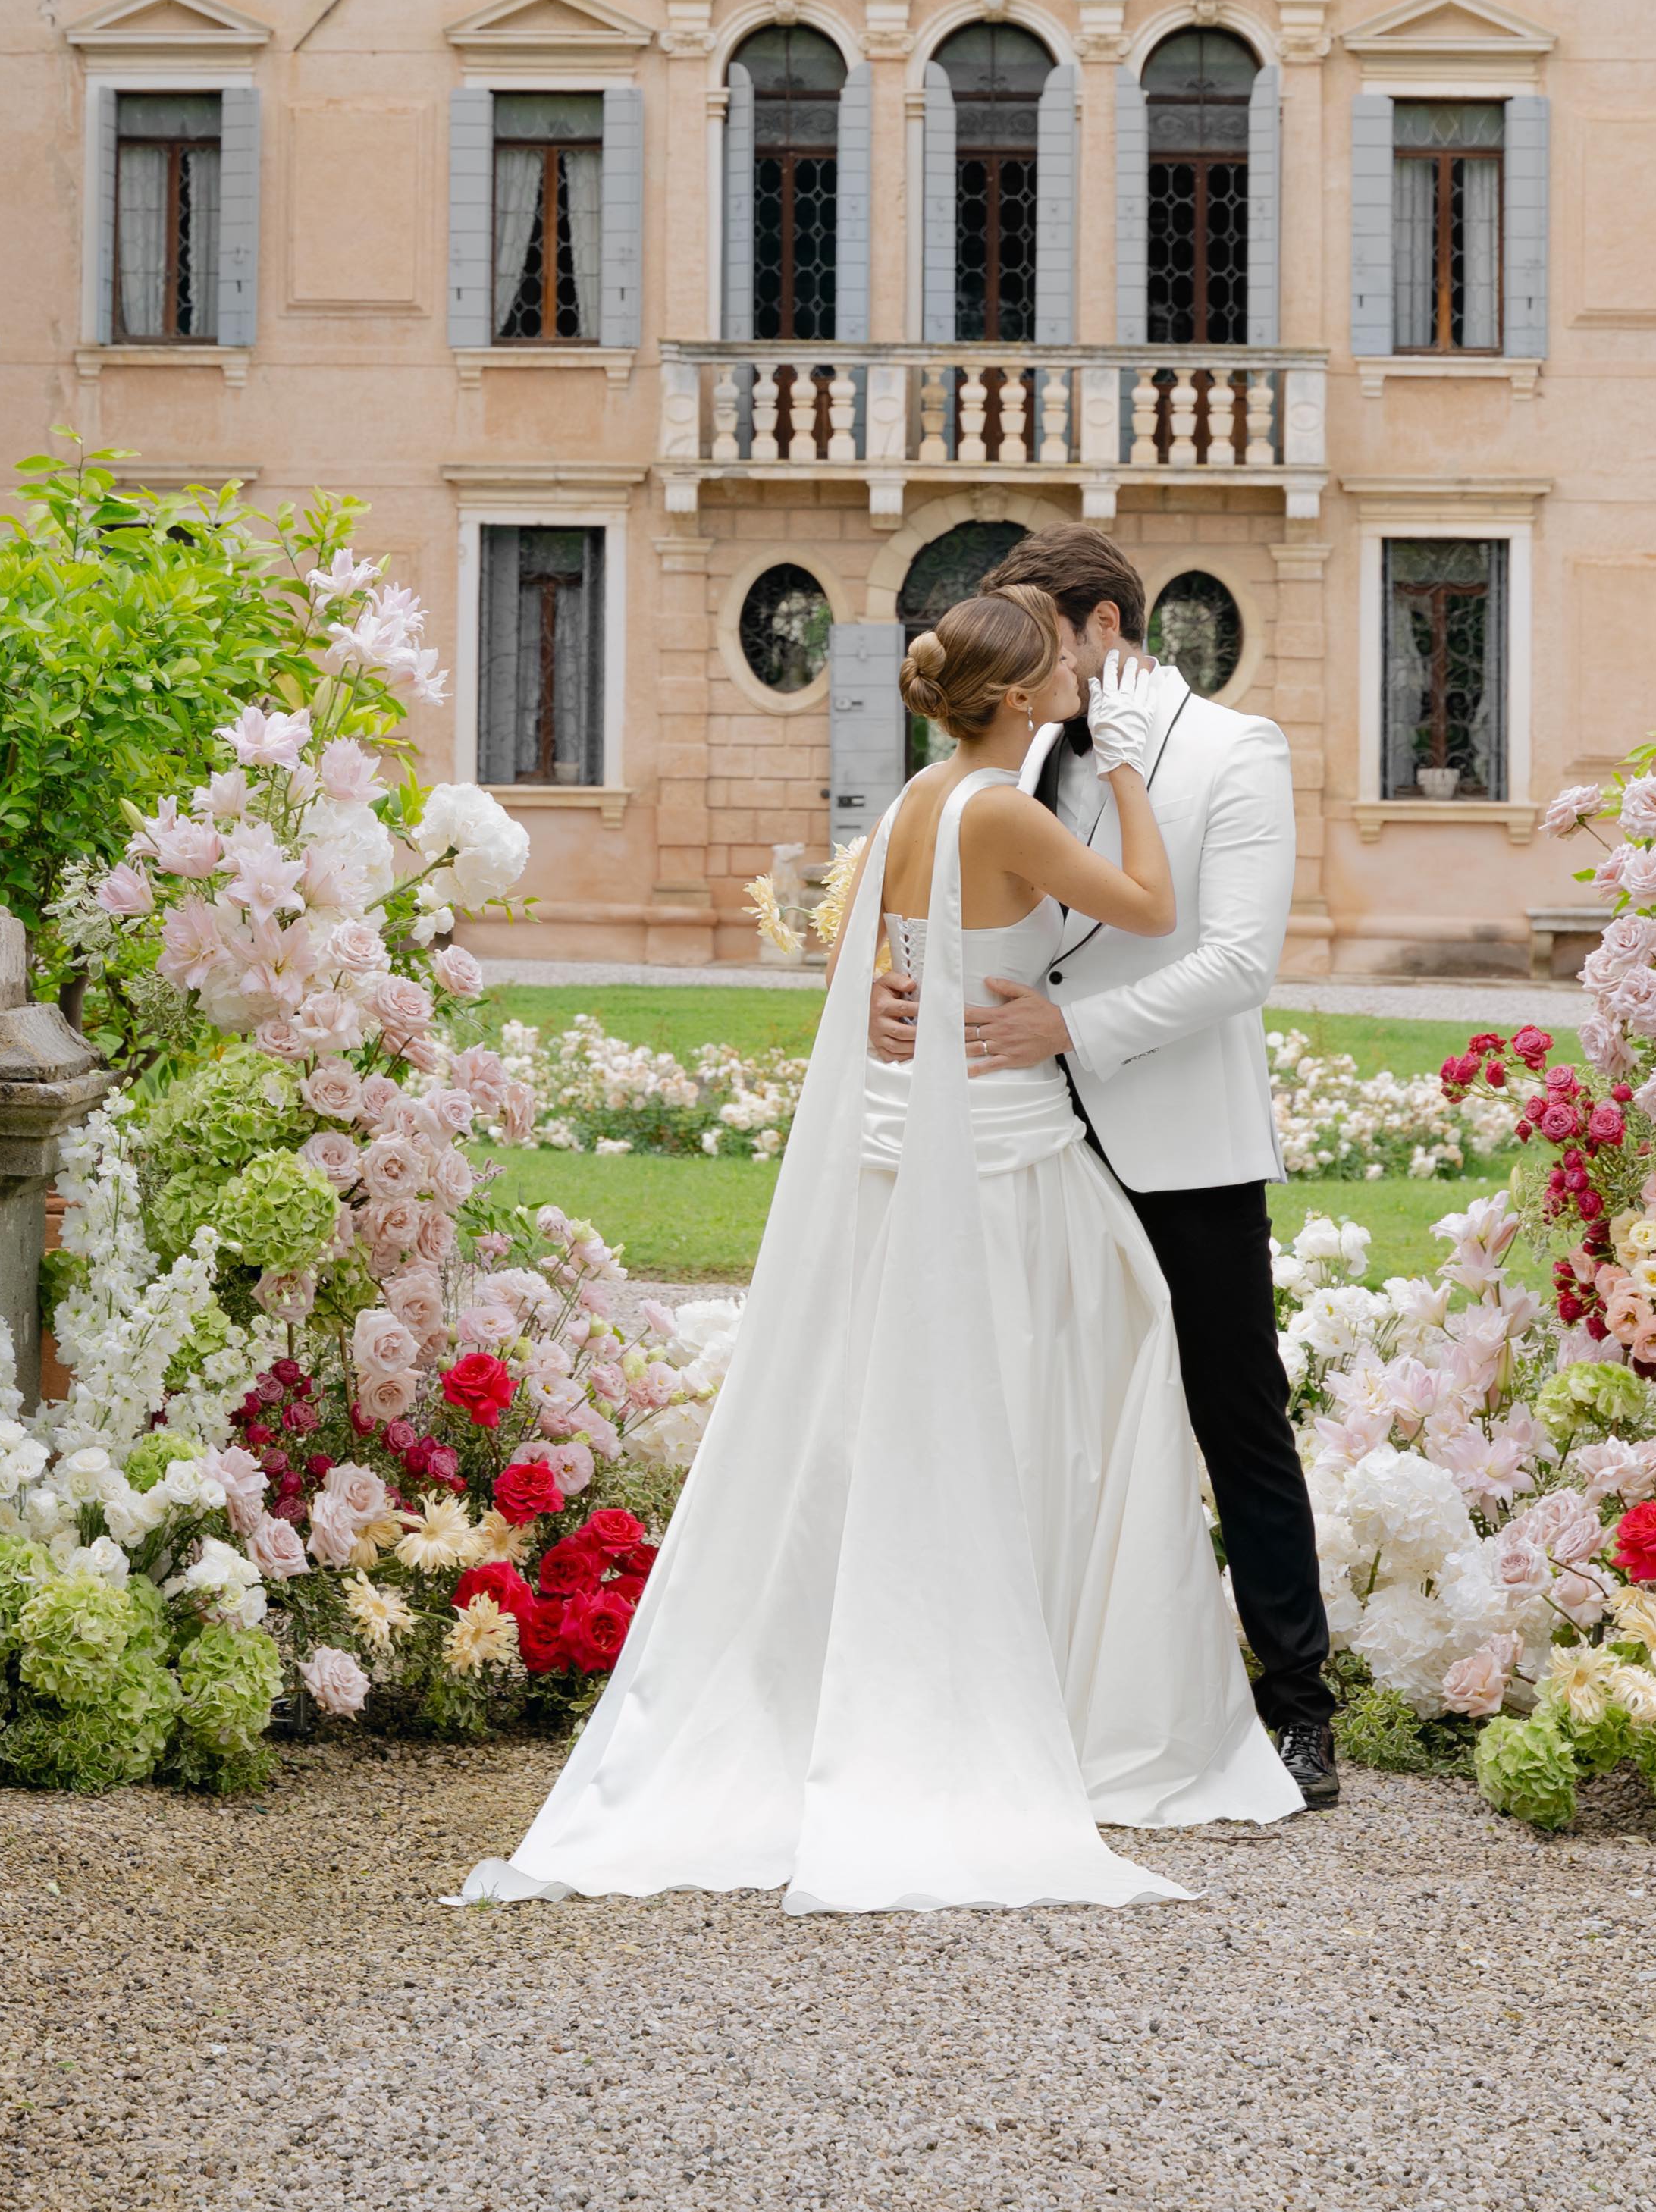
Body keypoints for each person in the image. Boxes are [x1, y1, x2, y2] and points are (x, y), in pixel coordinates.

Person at [457, 583, 1297, 1915]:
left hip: (922, 1123)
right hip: (1000, 1137)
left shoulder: (916, 796)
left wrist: (895, 994)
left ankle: (985, 1652)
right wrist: (1132, 774)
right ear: (1015, 697)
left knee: (953, 1386)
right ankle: (1029, 1675)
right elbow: (1149, 905)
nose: (1081, 680)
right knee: (1053, 1382)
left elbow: (860, 951)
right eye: (1058, 667)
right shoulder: (1002, 806)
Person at [873, 523, 1338, 1806]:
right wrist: (889, 990)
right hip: (1024, 1140)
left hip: (1178, 1140)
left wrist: (1070, 1026)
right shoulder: (1017, 746)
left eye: (1040, 629)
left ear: (1101, 627)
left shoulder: (1238, 748)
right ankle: (1055, 1691)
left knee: (1234, 1416)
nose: (1023, 656)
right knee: (1048, 1421)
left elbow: (1237, 960)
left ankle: (1297, 1705)